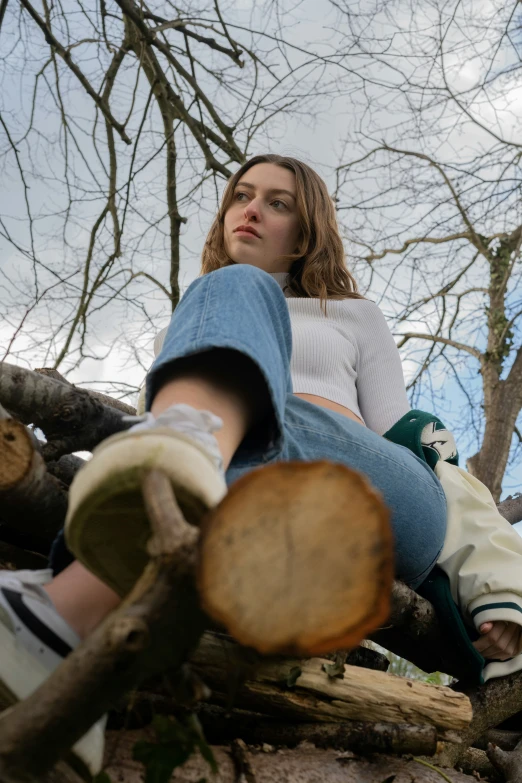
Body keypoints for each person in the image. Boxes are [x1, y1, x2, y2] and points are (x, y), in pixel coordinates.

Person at [1, 154, 522, 775]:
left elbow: (425, 449)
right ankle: (69, 646)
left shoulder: (349, 315)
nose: (250, 209)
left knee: (232, 295)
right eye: (241, 196)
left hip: (374, 496)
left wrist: (501, 586)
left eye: (278, 202)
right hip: (249, 501)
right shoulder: (202, 319)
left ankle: (55, 613)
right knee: (219, 332)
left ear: (305, 234)